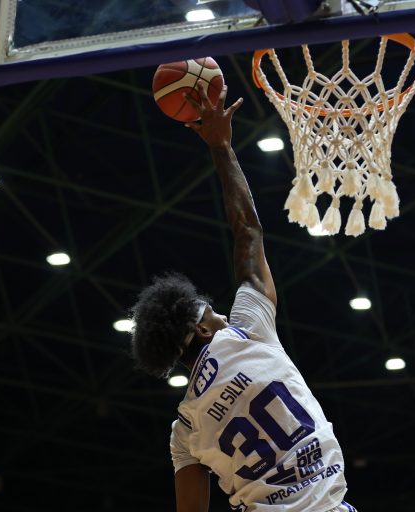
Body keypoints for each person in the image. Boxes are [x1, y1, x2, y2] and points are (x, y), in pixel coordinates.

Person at [129, 82, 355, 512]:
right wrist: (221, 147)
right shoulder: (246, 331)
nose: (220, 315)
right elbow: (248, 230)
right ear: (200, 328)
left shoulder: (185, 429)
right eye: (211, 313)